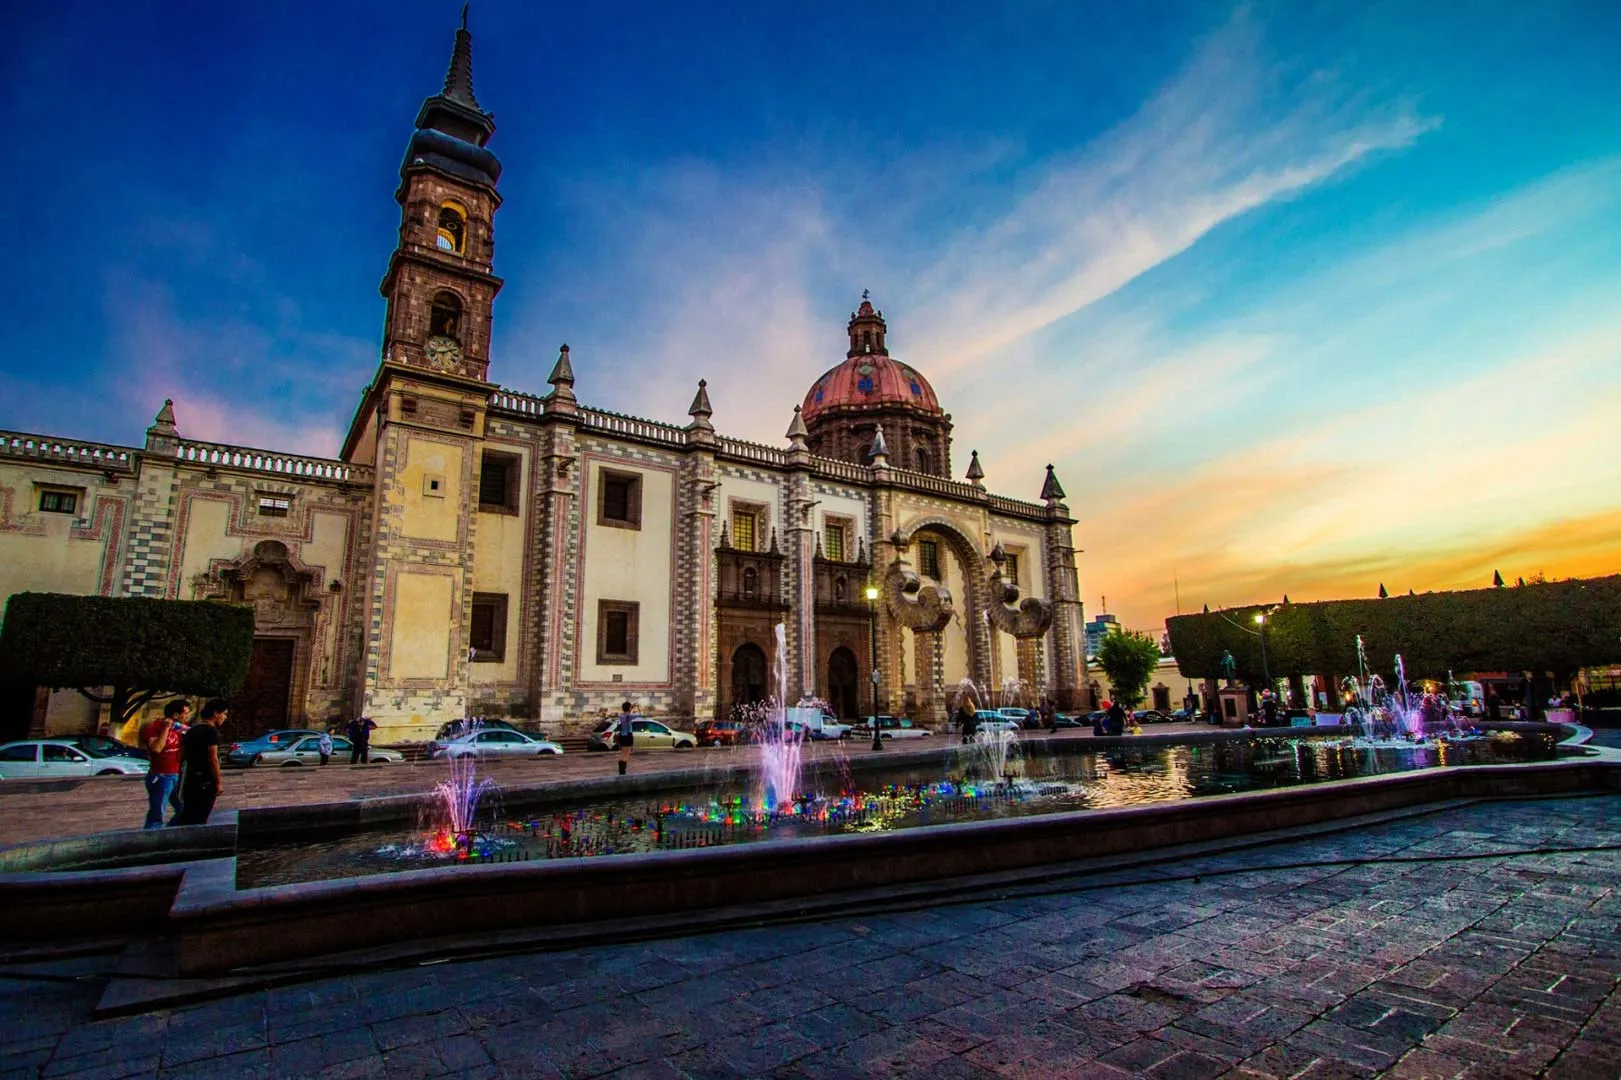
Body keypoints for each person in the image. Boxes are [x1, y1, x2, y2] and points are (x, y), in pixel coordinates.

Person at [170, 699, 229, 827]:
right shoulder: (211, 732)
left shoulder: (192, 731)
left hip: (190, 777)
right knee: (201, 815)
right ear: (215, 713)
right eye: (224, 713)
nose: (225, 717)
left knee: (189, 814)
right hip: (205, 780)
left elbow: (182, 754)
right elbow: (212, 758)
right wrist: (218, 782)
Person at [139, 699, 188, 829]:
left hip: (175, 774)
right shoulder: (154, 728)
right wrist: (166, 728)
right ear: (176, 715)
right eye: (185, 714)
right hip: (161, 776)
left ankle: (170, 830)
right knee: (157, 812)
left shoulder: (179, 729)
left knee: (184, 808)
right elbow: (156, 748)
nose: (186, 717)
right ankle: (151, 837)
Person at [616, 701, 636, 776]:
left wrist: (631, 708)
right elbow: (641, 715)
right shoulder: (630, 716)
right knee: (626, 754)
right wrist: (636, 707)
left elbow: (627, 714)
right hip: (628, 735)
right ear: (629, 708)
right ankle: (622, 771)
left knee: (622, 754)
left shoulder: (621, 716)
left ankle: (621, 771)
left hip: (622, 736)